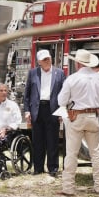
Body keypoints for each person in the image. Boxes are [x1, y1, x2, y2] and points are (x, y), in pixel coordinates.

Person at [57, 49, 99, 196]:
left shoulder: (72, 79)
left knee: (71, 153)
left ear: (78, 63)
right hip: (94, 116)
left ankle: (68, 188)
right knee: (96, 153)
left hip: (76, 117)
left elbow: (61, 101)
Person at [23, 49, 65, 177]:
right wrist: (27, 111)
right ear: (39, 62)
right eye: (44, 59)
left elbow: (64, 94)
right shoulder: (33, 73)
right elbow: (27, 94)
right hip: (37, 109)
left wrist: (62, 111)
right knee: (37, 141)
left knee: (52, 141)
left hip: (53, 110)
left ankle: (53, 168)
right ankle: (38, 168)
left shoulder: (60, 73)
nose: (47, 61)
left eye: (48, 58)